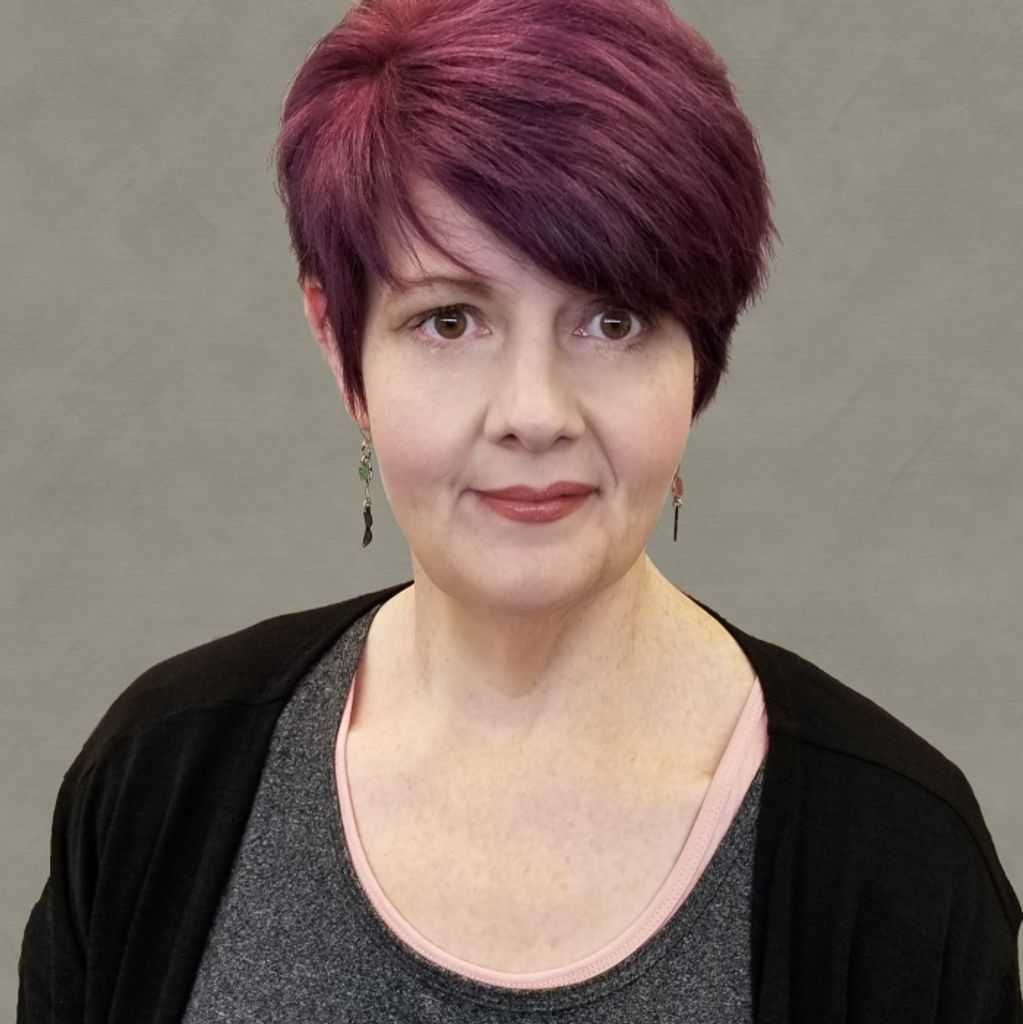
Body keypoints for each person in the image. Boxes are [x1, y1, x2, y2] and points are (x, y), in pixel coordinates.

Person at [18, 0, 1022, 1020]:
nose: (534, 414)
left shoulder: (899, 860)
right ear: (340, 345)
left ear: (700, 353)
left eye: (613, 320)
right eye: (450, 320)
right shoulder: (159, 776)